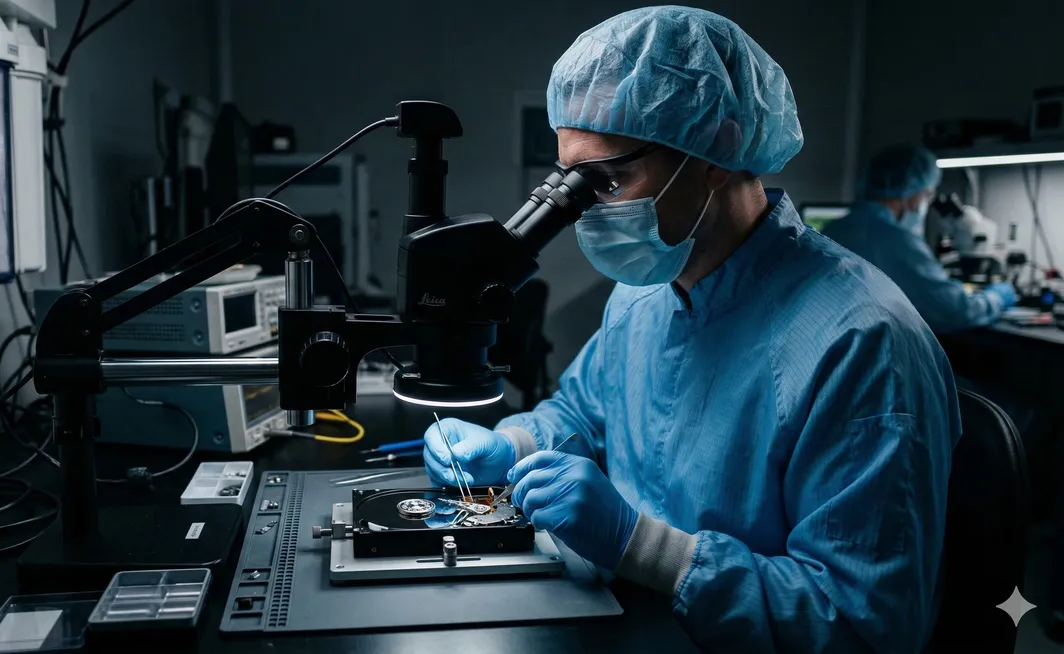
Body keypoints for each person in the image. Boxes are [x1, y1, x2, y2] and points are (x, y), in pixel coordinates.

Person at [422, 7, 958, 652]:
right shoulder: (641, 292)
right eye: (570, 180)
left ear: (720, 149)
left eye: (608, 180)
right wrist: (513, 443)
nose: (583, 210)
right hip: (619, 616)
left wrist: (646, 548)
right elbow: (587, 412)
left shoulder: (863, 343)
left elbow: (864, 625)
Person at [822, 144, 1017, 332]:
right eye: (928, 194)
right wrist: (998, 296)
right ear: (913, 196)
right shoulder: (898, 242)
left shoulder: (833, 230)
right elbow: (954, 311)